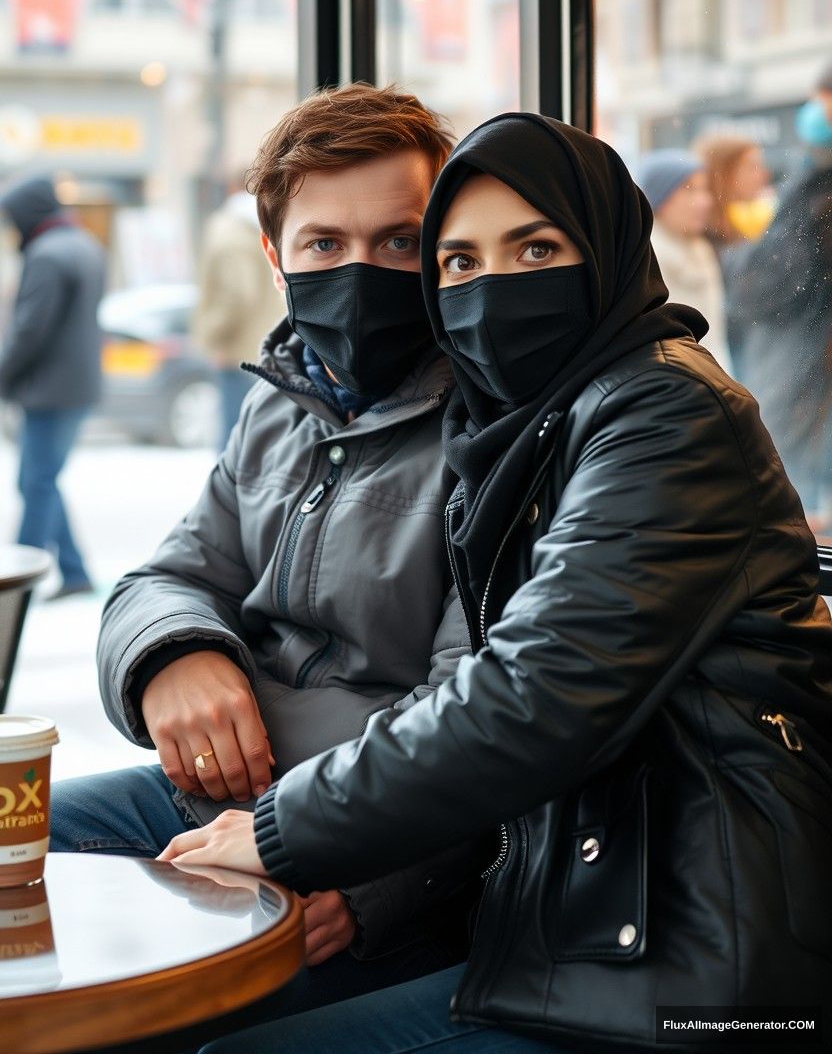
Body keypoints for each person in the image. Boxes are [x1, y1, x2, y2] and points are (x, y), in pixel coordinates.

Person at [160, 114, 832, 1054]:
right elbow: (173, 574)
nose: (495, 290)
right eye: (461, 264)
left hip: (701, 962)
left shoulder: (667, 411)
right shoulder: (526, 428)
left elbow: (530, 693)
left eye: (536, 248)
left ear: (605, 247)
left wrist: (280, 833)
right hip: (575, 908)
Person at [50, 84, 480, 1010]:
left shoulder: (493, 429)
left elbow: (485, 716)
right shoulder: (279, 403)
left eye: (398, 242)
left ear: (443, 248)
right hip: (203, 799)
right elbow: (169, 576)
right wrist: (175, 655)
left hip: (366, 848)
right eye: (325, 244)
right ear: (275, 257)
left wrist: (371, 891)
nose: (360, 273)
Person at [718, 62, 832, 528]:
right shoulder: (811, 181)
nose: (813, 114)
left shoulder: (815, 186)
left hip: (798, 359)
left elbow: (768, 281)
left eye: (821, 101)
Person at [0, 175, 105, 599]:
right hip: (76, 386)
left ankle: (15, 590)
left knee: (37, 482)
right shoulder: (84, 244)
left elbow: (29, 332)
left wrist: (3, 378)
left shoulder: (47, 255)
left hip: (49, 390)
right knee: (40, 478)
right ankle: (74, 571)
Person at [192, 183, 286, 449]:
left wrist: (213, 339)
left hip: (237, 352)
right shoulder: (267, 225)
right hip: (269, 348)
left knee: (234, 443)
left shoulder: (228, 232)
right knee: (258, 440)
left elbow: (236, 295)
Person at [634, 148, 730, 370]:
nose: (705, 201)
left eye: (704, 189)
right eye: (689, 190)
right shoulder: (646, 257)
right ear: (660, 197)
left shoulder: (701, 248)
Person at [693, 132, 773, 246]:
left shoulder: (727, 226)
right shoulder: (704, 237)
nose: (764, 174)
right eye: (752, 167)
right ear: (722, 173)